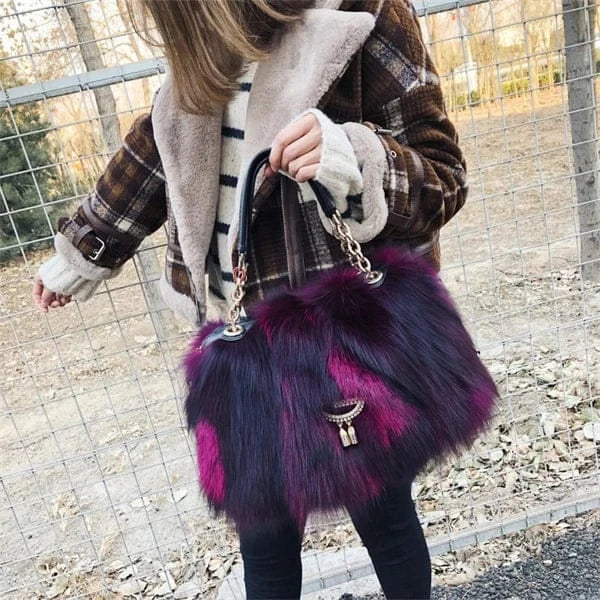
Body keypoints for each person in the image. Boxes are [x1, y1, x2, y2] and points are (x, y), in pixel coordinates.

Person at [33, 1, 468, 597]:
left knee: (384, 517)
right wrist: (82, 250)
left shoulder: (360, 11)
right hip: (240, 343)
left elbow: (444, 176)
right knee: (264, 545)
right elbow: (156, 152)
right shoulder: (206, 32)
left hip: (343, 338)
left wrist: (352, 159)